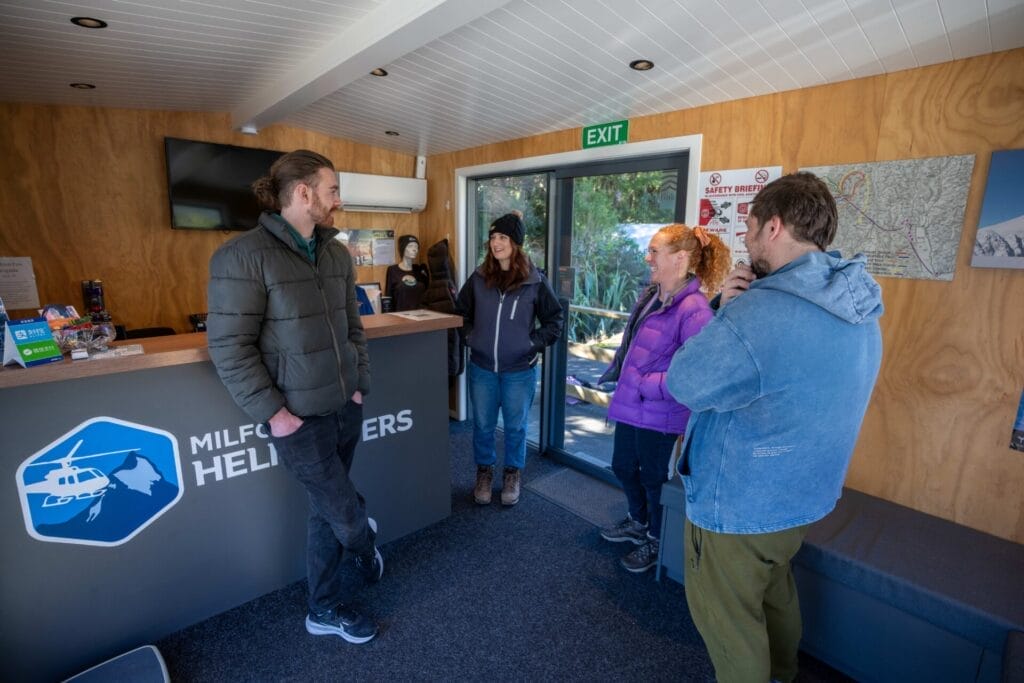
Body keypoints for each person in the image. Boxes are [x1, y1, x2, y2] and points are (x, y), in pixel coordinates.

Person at [665, 172, 883, 682]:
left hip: (740, 505)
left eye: (750, 228)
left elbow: (686, 381)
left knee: (730, 624)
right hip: (803, 497)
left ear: (774, 227)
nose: (745, 240)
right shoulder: (860, 305)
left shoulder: (760, 313)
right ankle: (784, 675)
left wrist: (727, 312)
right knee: (775, 594)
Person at [206, 150, 383, 645]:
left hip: (344, 407)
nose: (338, 201)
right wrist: (274, 415)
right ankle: (365, 546)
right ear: (303, 193)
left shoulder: (336, 253)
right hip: (297, 421)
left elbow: (353, 328)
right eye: (332, 190)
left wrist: (357, 385)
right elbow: (228, 347)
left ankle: (321, 609)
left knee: (325, 510)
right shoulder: (241, 257)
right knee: (345, 515)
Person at [597, 224, 730, 573]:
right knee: (623, 467)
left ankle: (656, 538)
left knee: (652, 478)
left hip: (659, 412)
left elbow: (697, 373)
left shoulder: (695, 309)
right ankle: (637, 521)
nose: (648, 257)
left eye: (655, 251)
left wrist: (647, 384)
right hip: (631, 405)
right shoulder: (653, 296)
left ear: (681, 258)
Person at [456, 212, 563, 506]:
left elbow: (555, 320)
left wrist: (532, 344)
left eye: (502, 237)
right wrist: (469, 337)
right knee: (483, 425)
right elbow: (461, 313)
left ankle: (513, 473)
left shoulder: (535, 280)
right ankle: (484, 472)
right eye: (492, 238)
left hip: (520, 370)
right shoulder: (479, 278)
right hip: (482, 369)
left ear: (516, 243)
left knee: (516, 427)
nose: (496, 243)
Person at [385, 235, 428, 311]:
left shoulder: (420, 270)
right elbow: (388, 297)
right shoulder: (393, 270)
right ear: (403, 249)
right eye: (410, 246)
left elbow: (427, 295)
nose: (414, 249)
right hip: (401, 317)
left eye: (416, 246)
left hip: (421, 316)